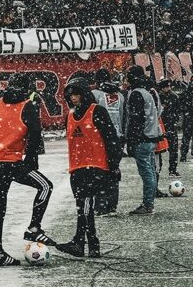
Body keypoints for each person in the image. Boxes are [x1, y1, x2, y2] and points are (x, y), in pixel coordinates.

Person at [0, 72, 55, 267]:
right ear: (27, 88)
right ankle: (34, 227)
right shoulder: (26, 105)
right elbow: (36, 133)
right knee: (45, 186)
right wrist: (30, 160)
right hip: (11, 162)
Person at [56, 81, 120, 258]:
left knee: (85, 204)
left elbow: (111, 139)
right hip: (76, 168)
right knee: (84, 206)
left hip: (94, 167)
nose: (73, 99)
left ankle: (81, 241)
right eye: (70, 96)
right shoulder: (70, 116)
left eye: (76, 95)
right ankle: (91, 244)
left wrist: (114, 165)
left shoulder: (97, 111)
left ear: (84, 94)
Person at [124, 65, 162, 215]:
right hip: (150, 137)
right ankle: (148, 203)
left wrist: (131, 140)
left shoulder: (136, 94)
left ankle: (147, 205)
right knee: (150, 171)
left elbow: (135, 120)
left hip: (142, 138)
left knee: (146, 173)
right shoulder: (148, 92)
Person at [92, 68, 126, 216]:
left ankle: (100, 205)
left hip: (101, 137)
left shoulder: (95, 95)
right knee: (114, 169)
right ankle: (112, 205)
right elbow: (125, 116)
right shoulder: (119, 95)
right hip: (117, 137)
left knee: (100, 170)